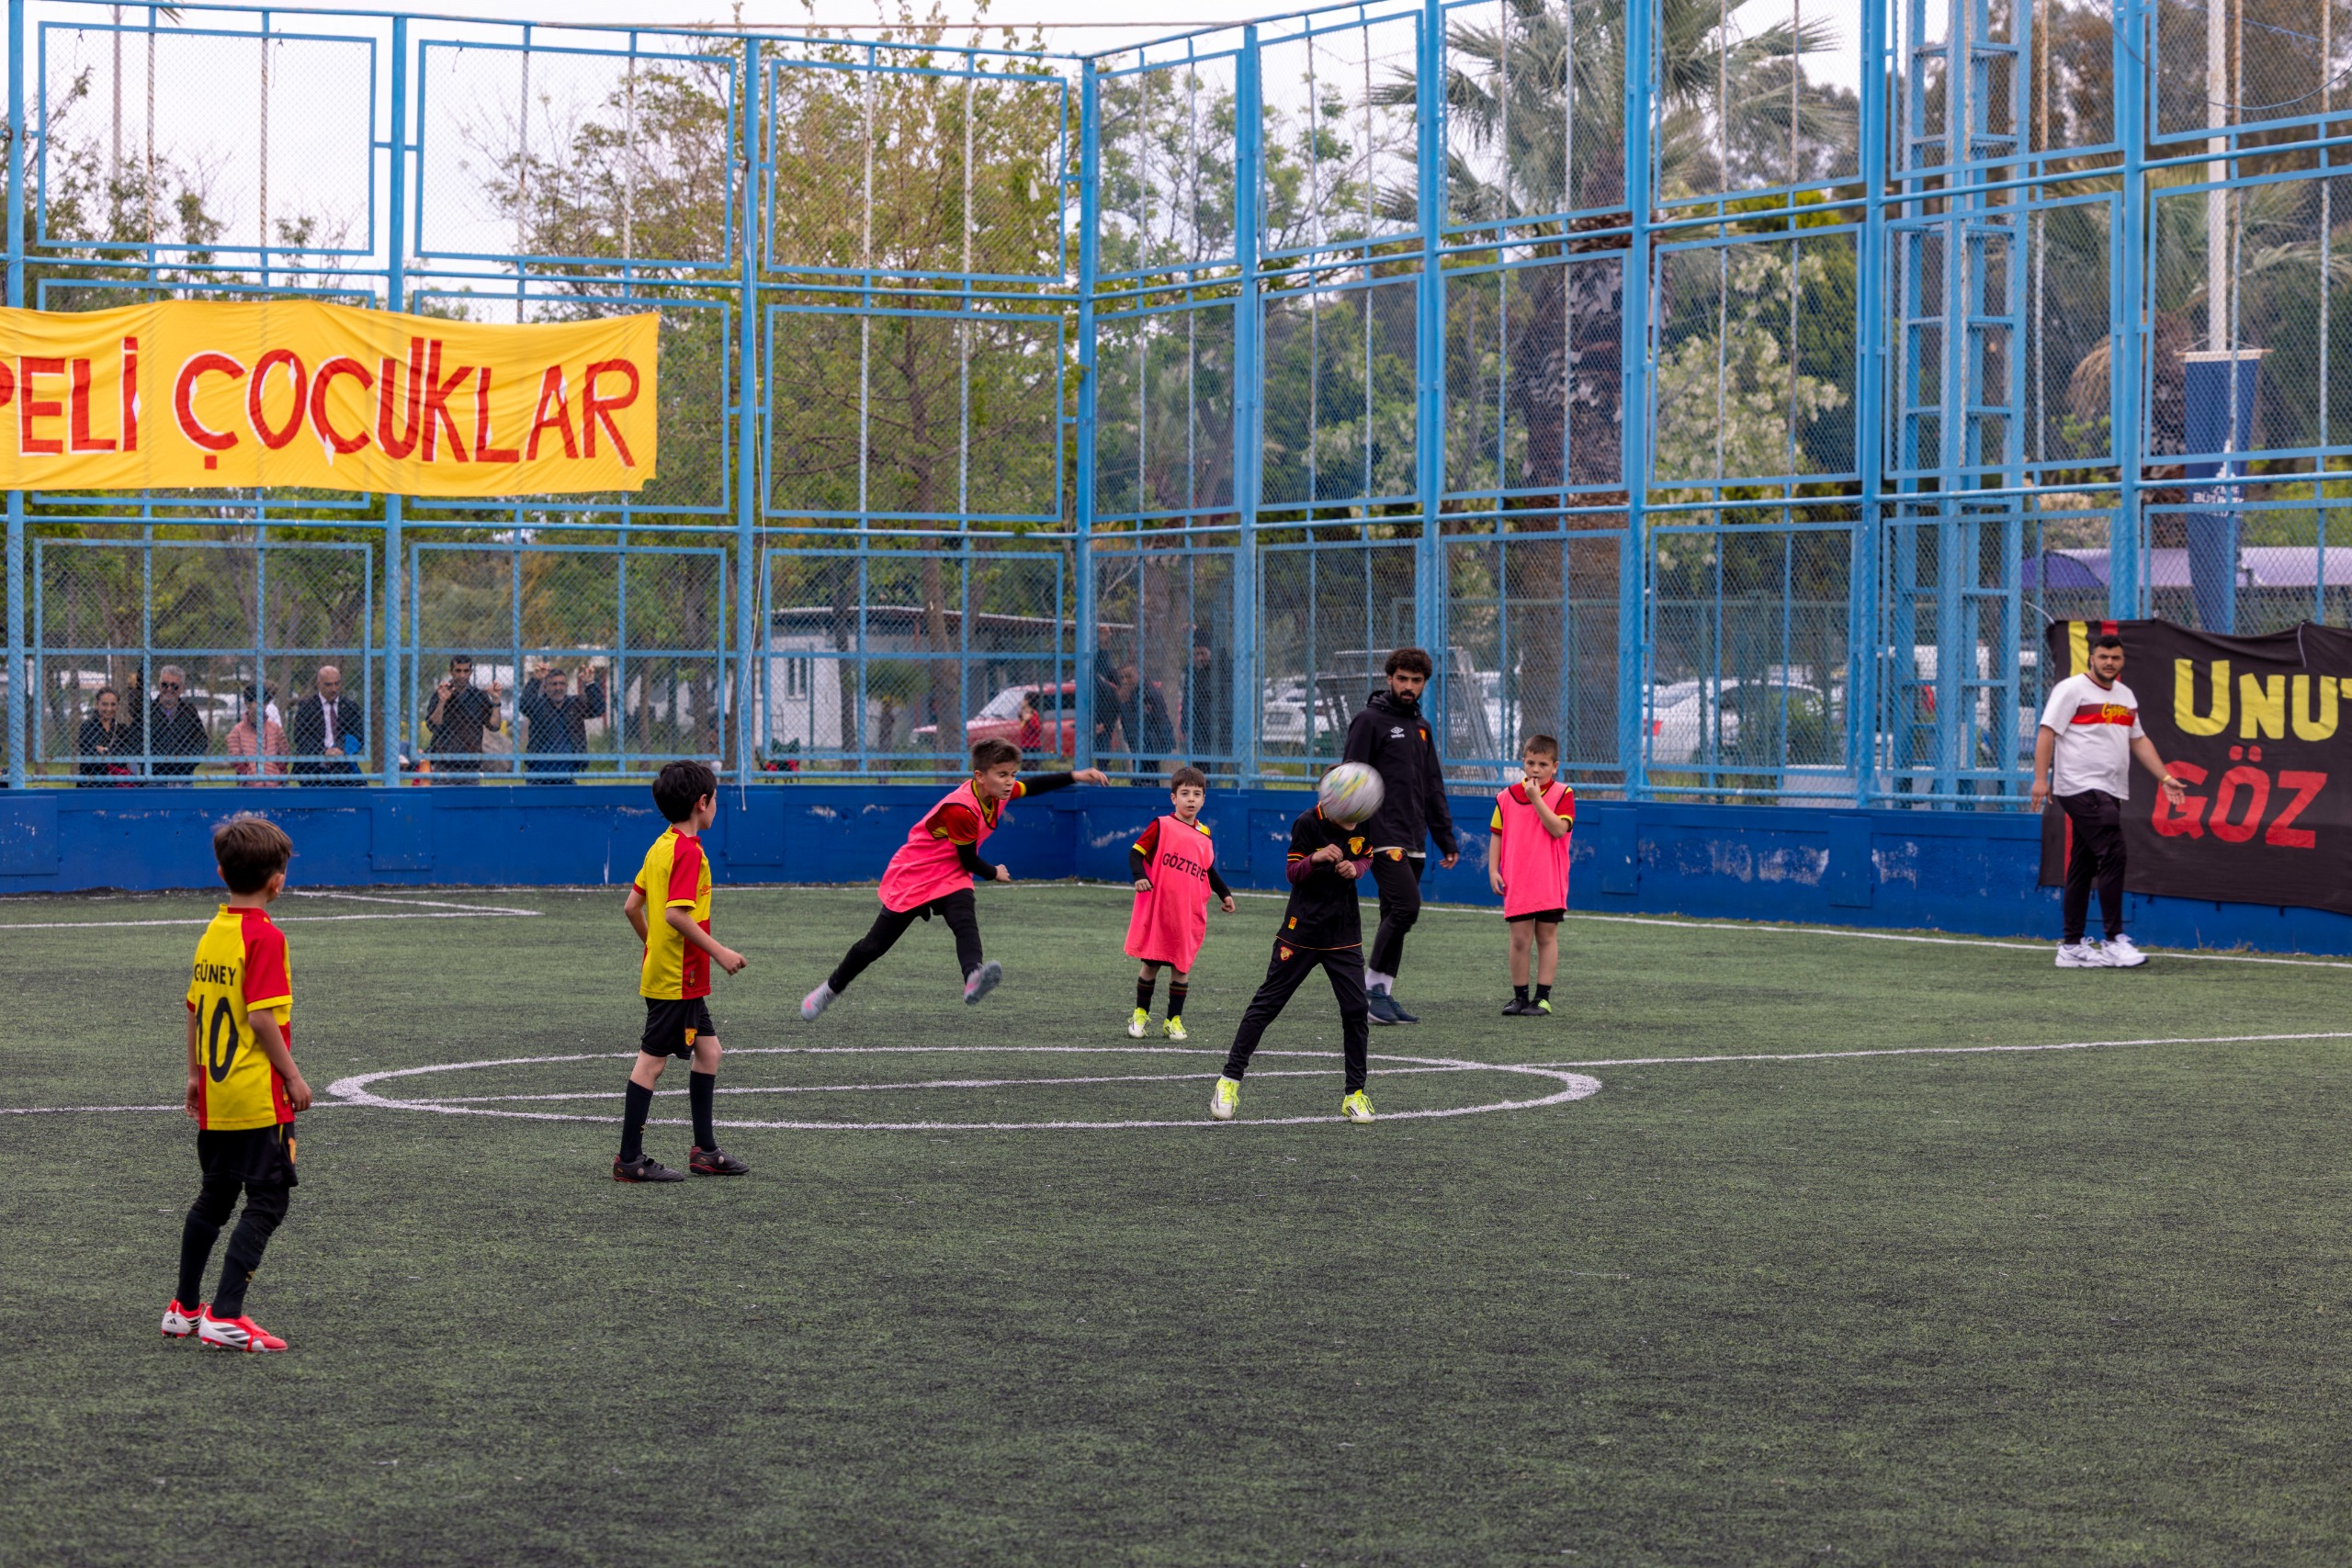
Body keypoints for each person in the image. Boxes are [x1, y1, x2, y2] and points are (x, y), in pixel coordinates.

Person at [801, 739, 1108, 1019]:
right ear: (980, 776)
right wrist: (995, 872)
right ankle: (829, 990)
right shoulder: (963, 809)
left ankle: (974, 976)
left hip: (950, 872)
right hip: (916, 873)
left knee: (964, 919)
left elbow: (1033, 786)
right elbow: (969, 860)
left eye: (1013, 774)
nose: (1010, 781)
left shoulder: (998, 792)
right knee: (873, 947)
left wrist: (1076, 775)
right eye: (1002, 774)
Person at [161, 814, 311, 1353]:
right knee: (268, 1200)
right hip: (256, 1096)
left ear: (221, 872)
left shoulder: (214, 932)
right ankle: (225, 1315)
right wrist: (293, 1076)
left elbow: (194, 1010)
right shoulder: (265, 937)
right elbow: (262, 1018)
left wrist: (194, 1076)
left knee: (215, 1197)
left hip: (218, 1093)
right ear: (278, 881)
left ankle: (184, 1309)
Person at [1209, 770, 1378, 1123]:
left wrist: (1357, 868)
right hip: (1301, 931)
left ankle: (1355, 1094)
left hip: (1344, 933)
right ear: (1331, 801)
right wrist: (1316, 859)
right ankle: (1229, 1080)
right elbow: (1292, 872)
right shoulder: (1307, 822)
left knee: (1355, 1009)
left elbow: (1367, 856)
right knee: (1267, 1003)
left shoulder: (1363, 818)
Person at [613, 761, 751, 1182]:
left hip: (675, 974)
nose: (716, 806)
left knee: (710, 1052)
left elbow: (632, 907)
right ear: (702, 803)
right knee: (651, 1064)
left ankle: (705, 1151)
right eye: (716, 800)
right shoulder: (688, 852)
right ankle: (629, 1159)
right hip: (678, 978)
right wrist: (720, 952)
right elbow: (675, 915)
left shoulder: (661, 846)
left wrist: (653, 947)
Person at [2030, 632, 2187, 969]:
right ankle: (2114, 940)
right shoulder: (2071, 689)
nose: (2109, 663)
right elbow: (2046, 732)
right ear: (2092, 658)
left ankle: (2072, 947)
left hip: (2111, 790)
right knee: (2114, 853)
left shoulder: (2126, 695)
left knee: (2083, 864)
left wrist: (2165, 778)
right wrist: (2041, 780)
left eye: (2115, 658)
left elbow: (2138, 739)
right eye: (2103, 657)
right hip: (2080, 787)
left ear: (2123, 660)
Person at [1340, 646, 1460, 1024]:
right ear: (1389, 678)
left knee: (1394, 914)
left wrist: (1445, 837)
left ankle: (1382, 993)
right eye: (1403, 679)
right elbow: (1349, 781)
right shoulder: (1369, 721)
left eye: (1416, 680)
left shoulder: (1422, 727)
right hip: (1380, 834)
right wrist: (1351, 837)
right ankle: (1368, 991)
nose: (1409, 686)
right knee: (1407, 907)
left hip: (1414, 836)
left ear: (1425, 683)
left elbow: (1432, 786)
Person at [1125, 765, 1236, 1041]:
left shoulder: (1204, 833)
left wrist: (1224, 893)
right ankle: (1140, 1015)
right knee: (1151, 964)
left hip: (1188, 913)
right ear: (1173, 797)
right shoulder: (1161, 825)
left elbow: (1207, 869)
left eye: (1197, 794)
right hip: (1161, 910)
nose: (1191, 799)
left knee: (1181, 967)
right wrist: (1139, 877)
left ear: (1204, 799)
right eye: (1185, 793)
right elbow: (1135, 853)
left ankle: (1173, 1020)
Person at [1488, 734, 1575, 1016]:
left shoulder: (1563, 793)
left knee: (1546, 937)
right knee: (1519, 940)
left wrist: (1536, 799)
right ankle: (1520, 997)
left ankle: (1543, 998)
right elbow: (1497, 834)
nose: (1536, 769)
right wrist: (1493, 869)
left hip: (1549, 880)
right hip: (1518, 880)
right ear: (1523, 762)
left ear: (1555, 766)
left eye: (1543, 764)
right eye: (1531, 763)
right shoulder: (1506, 796)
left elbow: (1558, 829)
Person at [519, 664, 607, 782]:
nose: (558, 688)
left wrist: (590, 683)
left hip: (568, 768)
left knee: (568, 793)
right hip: (539, 768)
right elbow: (524, 705)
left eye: (562, 684)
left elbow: (598, 708)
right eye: (554, 684)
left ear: (566, 686)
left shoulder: (575, 704)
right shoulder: (538, 705)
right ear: (545, 687)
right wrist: (536, 680)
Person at [423, 656, 503, 781]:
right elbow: (432, 725)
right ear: (451, 671)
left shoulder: (478, 696)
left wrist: (496, 701)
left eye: (466, 671)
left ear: (471, 672)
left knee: (469, 793)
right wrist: (442, 701)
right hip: (444, 763)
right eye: (458, 671)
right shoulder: (441, 693)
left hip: (471, 764)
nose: (462, 675)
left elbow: (494, 726)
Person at [288, 665, 366, 783]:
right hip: (313, 765)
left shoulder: (350, 707)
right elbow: (300, 738)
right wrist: (323, 751)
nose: (334, 689)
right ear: (318, 684)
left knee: (360, 788)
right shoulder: (306, 708)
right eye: (328, 685)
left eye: (337, 684)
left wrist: (340, 749)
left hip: (343, 764)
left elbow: (359, 735)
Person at [143, 664, 210, 780]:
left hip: (183, 776)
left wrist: (187, 765)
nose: (169, 689)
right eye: (165, 685)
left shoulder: (189, 711)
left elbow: (201, 742)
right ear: (159, 686)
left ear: (182, 688)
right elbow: (136, 741)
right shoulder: (147, 711)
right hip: (153, 777)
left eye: (174, 686)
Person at [1181, 632, 1232, 767]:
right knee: (1199, 769)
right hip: (1198, 733)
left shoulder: (1221, 669)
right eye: (1196, 654)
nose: (1199, 658)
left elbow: (1224, 659)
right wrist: (1185, 727)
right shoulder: (1191, 673)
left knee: (1216, 767)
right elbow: (1187, 701)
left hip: (1219, 731)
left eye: (1203, 653)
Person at [1119, 663, 1175, 784]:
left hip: (1150, 743)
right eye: (1122, 677)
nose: (1124, 681)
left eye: (1128, 676)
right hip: (1137, 743)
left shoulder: (1148, 692)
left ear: (1138, 675)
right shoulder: (1128, 694)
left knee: (1148, 776)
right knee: (1140, 777)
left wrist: (1162, 741)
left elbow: (1159, 718)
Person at [225, 686, 289, 783]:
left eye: (264, 703)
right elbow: (235, 759)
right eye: (258, 703)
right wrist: (250, 777)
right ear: (247, 704)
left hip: (275, 784)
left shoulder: (275, 729)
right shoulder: (237, 731)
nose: (262, 707)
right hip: (248, 786)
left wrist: (275, 774)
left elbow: (284, 754)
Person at [75, 687, 136, 784]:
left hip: (116, 784)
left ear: (118, 706)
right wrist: (112, 753)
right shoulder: (87, 727)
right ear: (97, 704)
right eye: (105, 704)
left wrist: (104, 751)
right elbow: (90, 754)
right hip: (91, 783)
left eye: (113, 704)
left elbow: (126, 753)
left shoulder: (122, 729)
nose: (109, 709)